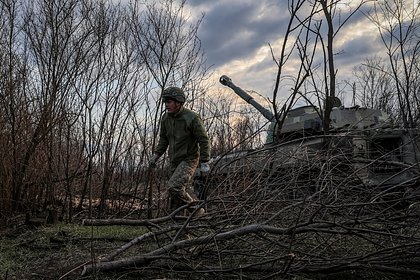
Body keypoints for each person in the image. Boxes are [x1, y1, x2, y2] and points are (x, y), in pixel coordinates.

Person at [149, 86, 211, 215]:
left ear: (178, 102)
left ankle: (197, 210)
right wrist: (156, 155)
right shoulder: (166, 119)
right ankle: (181, 231)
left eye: (169, 102)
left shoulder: (192, 118)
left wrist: (204, 162)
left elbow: (204, 140)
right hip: (174, 160)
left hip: (190, 159)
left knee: (174, 187)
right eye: (165, 102)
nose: (167, 105)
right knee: (176, 197)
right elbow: (163, 140)